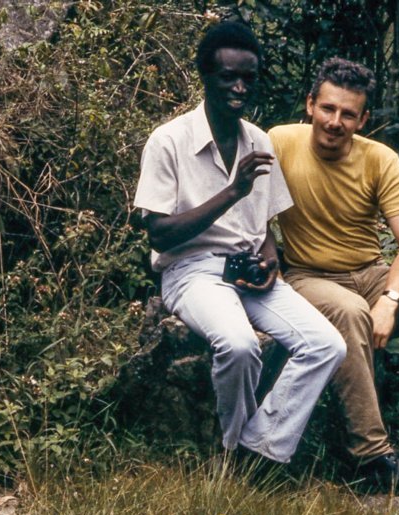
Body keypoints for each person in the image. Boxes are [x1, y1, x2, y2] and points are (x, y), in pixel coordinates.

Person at [133, 22, 346, 469]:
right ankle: (232, 450)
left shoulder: (258, 139)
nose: (239, 86)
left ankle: (259, 446)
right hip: (190, 271)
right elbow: (158, 233)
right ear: (205, 76)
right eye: (229, 76)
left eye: (248, 77)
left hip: (247, 270)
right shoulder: (169, 140)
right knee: (239, 344)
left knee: (327, 345)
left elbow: (263, 224)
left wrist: (269, 256)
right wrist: (232, 191)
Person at [269, 57, 399, 492]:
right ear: (310, 105)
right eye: (328, 109)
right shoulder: (279, 142)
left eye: (348, 114)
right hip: (308, 275)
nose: (335, 122)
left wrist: (389, 300)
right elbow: (247, 209)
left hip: (370, 271)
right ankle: (373, 458)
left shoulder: (379, 159)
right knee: (350, 311)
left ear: (363, 119)